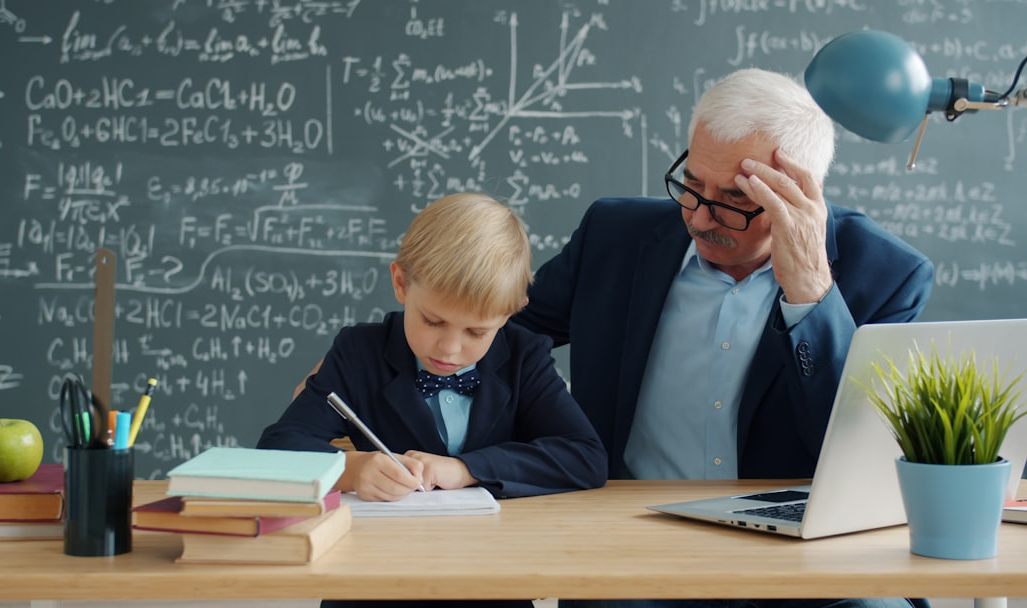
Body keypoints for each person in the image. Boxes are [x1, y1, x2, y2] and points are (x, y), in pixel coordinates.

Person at [510, 68, 935, 608]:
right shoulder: (613, 237)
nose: (700, 216)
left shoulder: (887, 273)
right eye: (692, 184)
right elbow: (503, 335)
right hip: (636, 543)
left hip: (806, 557)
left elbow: (863, 445)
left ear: (800, 191)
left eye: (734, 198)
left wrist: (809, 292)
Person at [258, 192, 608, 608]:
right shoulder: (358, 353)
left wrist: (465, 469)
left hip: (494, 588)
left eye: (477, 332)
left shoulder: (524, 356)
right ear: (401, 283)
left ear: (512, 311)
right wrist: (351, 470)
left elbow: (585, 457)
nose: (450, 348)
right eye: (433, 321)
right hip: (372, 586)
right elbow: (277, 451)